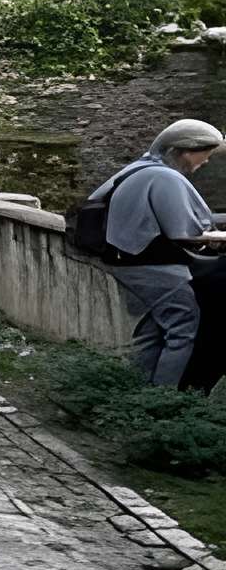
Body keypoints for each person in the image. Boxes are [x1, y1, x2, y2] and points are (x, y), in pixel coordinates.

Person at [86, 120, 226, 387]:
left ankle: (138, 392)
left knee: (152, 331)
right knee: (183, 327)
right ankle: (165, 397)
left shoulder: (141, 169)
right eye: (205, 153)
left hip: (126, 260)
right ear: (186, 150)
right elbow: (186, 232)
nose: (206, 161)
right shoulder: (165, 177)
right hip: (152, 264)